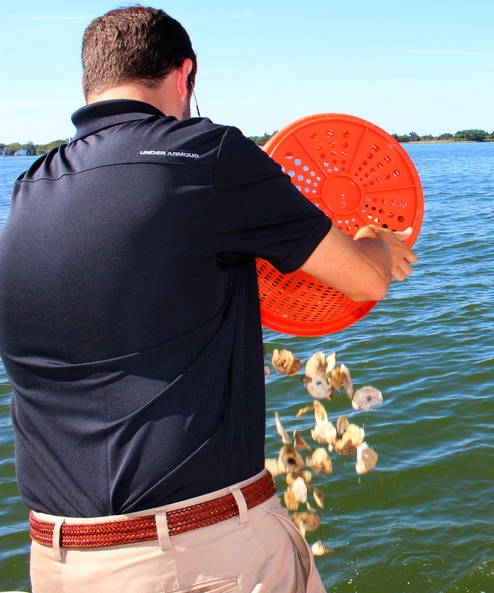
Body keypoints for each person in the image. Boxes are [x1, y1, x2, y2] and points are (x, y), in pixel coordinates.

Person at [0, 6, 416, 593]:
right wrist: (374, 241)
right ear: (185, 75)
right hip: (195, 558)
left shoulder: (31, 187)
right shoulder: (205, 153)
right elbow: (363, 280)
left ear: (86, 87)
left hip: (61, 562)